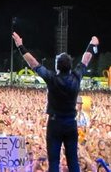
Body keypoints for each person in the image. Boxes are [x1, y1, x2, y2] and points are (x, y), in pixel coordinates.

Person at [12, 31, 99, 172]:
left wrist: (20, 46)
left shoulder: (52, 78)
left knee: (53, 162)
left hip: (55, 123)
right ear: (70, 66)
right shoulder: (77, 77)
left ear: (57, 66)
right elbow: (86, 58)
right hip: (71, 123)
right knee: (73, 161)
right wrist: (92, 44)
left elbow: (33, 63)